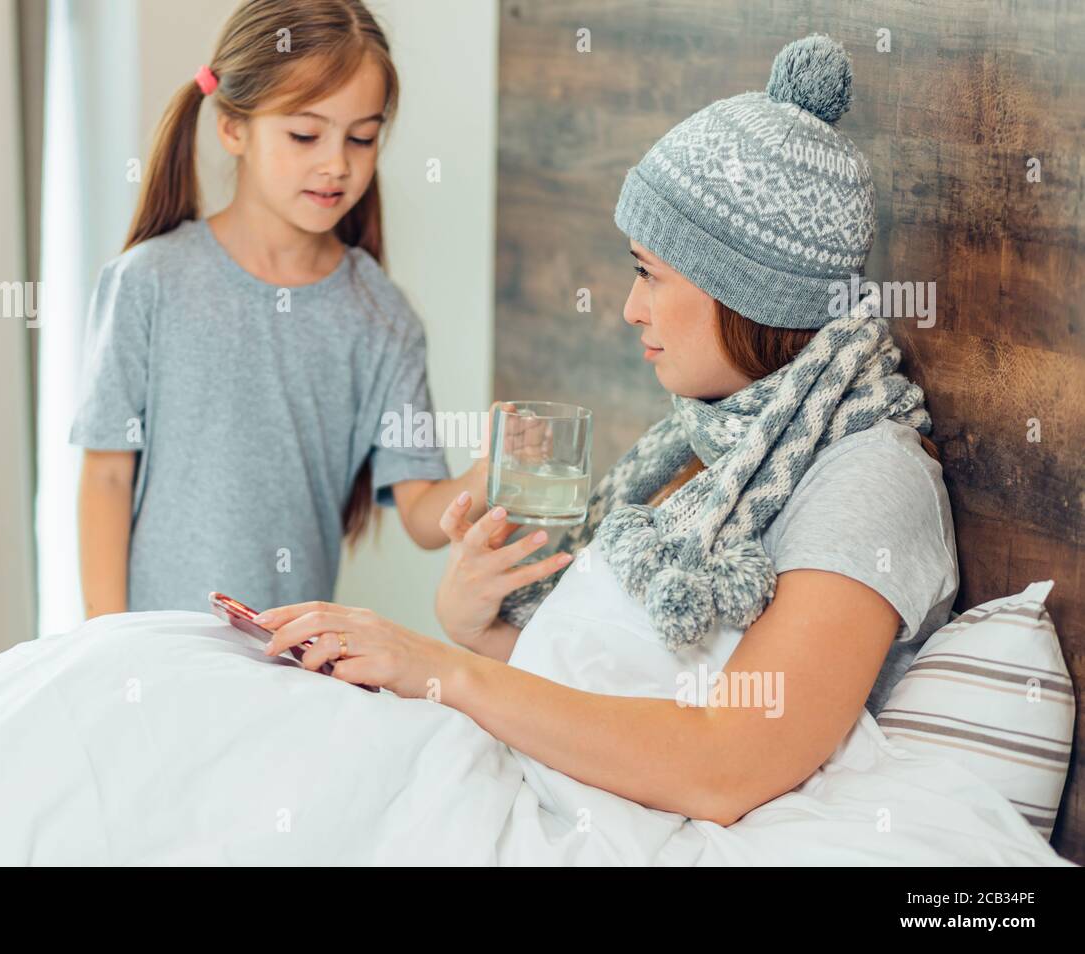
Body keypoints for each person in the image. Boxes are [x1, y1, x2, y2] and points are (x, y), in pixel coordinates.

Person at [256, 33, 960, 826]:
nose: (630, 309)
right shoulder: (718, 447)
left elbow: (727, 761)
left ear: (746, 292)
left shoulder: (870, 477)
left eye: (649, 273)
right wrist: (477, 630)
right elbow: (618, 700)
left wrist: (440, 667)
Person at [71, 0, 489, 620]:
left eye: (362, 138)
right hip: (153, 654)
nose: (337, 164)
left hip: (289, 665)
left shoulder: (382, 318)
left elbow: (425, 513)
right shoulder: (148, 282)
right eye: (304, 134)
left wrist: (494, 470)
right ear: (232, 128)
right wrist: (106, 643)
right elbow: (105, 477)